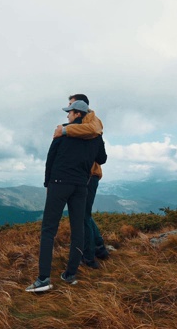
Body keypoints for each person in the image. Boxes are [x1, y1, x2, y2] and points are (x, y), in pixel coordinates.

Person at [25, 100, 107, 293]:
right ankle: (70, 274)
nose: (67, 116)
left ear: (77, 113)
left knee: (48, 230)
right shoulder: (95, 135)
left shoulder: (63, 131)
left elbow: (50, 159)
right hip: (81, 186)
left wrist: (47, 183)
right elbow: (102, 159)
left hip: (59, 184)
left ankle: (43, 279)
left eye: (69, 112)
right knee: (77, 229)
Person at [54, 94, 109, 268]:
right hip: (85, 175)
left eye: (71, 106)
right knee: (85, 215)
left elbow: (94, 132)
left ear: (81, 107)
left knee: (82, 216)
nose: (69, 110)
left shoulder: (93, 120)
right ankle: (99, 248)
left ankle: (89, 257)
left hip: (89, 175)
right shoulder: (83, 123)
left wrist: (64, 130)